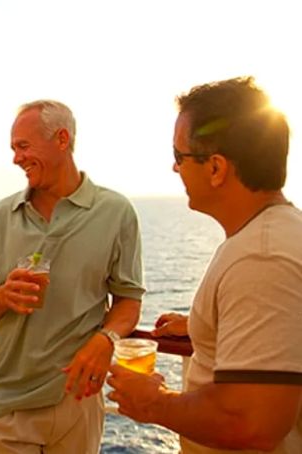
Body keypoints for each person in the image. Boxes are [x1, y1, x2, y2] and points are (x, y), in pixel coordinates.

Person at [107, 76, 302, 453]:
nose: (175, 168)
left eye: (180, 156)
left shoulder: (259, 257)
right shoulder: (276, 233)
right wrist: (205, 328)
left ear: (215, 168)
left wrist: (154, 402)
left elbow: (252, 422)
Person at [0, 100, 145, 452]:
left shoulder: (115, 212)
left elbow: (129, 299)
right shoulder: (1, 217)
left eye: (23, 146)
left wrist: (105, 339)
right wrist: (3, 296)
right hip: (6, 406)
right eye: (14, 148)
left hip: (77, 400)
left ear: (62, 139)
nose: (16, 158)